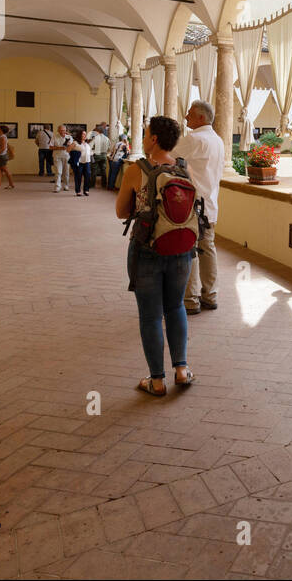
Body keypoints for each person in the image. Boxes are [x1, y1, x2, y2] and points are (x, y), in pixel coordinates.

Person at [115, 115, 195, 396]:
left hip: (147, 249)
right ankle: (182, 370)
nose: (144, 137)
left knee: (150, 316)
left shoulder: (138, 169)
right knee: (175, 307)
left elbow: (122, 211)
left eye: (146, 133)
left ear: (154, 139)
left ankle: (157, 380)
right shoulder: (183, 168)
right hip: (181, 250)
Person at [175, 100, 223, 314]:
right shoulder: (218, 140)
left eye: (190, 114)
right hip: (210, 204)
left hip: (192, 204)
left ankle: (191, 299)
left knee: (189, 250)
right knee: (208, 249)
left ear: (201, 118)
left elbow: (168, 156)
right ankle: (210, 295)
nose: (186, 117)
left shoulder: (194, 138)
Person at [67, 129, 93, 196]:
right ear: (79, 135)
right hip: (79, 163)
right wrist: (74, 154)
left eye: (85, 134)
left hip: (87, 162)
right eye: (83, 134)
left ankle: (86, 190)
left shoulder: (87, 144)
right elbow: (68, 150)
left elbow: (89, 152)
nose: (85, 135)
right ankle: (78, 191)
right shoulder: (75, 143)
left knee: (88, 176)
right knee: (78, 177)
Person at [50, 125, 73, 193]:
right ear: (58, 130)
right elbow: (50, 147)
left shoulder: (69, 137)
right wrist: (60, 148)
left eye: (64, 130)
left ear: (66, 131)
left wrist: (69, 146)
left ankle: (66, 186)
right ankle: (57, 187)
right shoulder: (54, 137)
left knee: (66, 172)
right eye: (61, 130)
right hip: (57, 156)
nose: (62, 132)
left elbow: (72, 147)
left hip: (66, 156)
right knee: (58, 172)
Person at [90, 125, 111, 189]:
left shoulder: (95, 138)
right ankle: (104, 184)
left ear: (98, 131)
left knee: (94, 170)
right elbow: (109, 148)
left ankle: (92, 184)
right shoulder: (107, 138)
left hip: (96, 155)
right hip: (104, 155)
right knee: (103, 170)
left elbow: (90, 146)